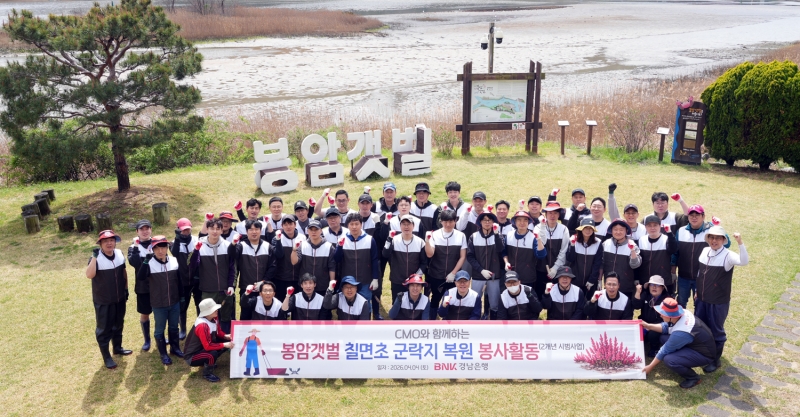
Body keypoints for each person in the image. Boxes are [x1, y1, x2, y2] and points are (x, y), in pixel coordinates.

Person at [694, 226, 748, 373]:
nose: (714, 240)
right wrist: (697, 290)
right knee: (700, 327)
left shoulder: (728, 255)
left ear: (724, 240)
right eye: (711, 237)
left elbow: (744, 261)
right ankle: (703, 353)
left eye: (718, 238)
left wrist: (740, 242)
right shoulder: (705, 251)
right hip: (702, 299)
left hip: (718, 302)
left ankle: (715, 360)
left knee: (716, 331)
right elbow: (700, 272)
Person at [641, 298, 717, 389]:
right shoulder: (682, 314)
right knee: (663, 338)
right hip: (697, 345)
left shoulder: (681, 332)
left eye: (662, 313)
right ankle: (681, 358)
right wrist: (648, 326)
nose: (660, 315)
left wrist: (650, 367)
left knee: (669, 360)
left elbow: (664, 350)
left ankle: (693, 378)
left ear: (670, 316)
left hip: (705, 354)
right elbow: (666, 327)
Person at [135, 235, 184, 365]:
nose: (160, 251)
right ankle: (163, 353)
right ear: (152, 249)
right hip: (159, 303)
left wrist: (182, 297)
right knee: (159, 329)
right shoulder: (150, 263)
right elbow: (141, 277)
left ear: (167, 247)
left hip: (174, 301)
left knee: (174, 326)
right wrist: (146, 261)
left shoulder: (174, 260)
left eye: (163, 247)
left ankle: (175, 348)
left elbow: (179, 281)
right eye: (156, 248)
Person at [86, 230, 130, 369]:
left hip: (119, 298)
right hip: (103, 300)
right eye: (105, 241)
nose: (109, 243)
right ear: (100, 244)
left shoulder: (119, 254)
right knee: (104, 329)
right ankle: (106, 357)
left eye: (111, 240)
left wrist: (126, 289)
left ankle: (117, 348)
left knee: (118, 324)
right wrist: (94, 258)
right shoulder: (96, 257)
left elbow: (123, 272)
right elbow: (89, 275)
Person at [672, 204, 729, 307]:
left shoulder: (710, 231)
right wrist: (672, 270)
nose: (694, 218)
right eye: (691, 215)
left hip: (702, 278)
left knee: (700, 304)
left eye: (697, 215)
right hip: (683, 277)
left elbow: (727, 244)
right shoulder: (681, 231)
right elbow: (675, 253)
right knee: (680, 304)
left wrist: (717, 227)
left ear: (703, 216)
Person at [189, 217, 237, 333]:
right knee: (209, 317)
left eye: (218, 228)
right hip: (208, 289)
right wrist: (196, 251)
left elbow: (232, 268)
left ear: (221, 230)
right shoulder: (199, 245)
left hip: (225, 290)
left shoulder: (227, 245)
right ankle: (210, 338)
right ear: (207, 229)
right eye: (212, 228)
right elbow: (192, 266)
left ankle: (225, 338)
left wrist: (231, 285)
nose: (215, 231)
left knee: (226, 317)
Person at [334, 214, 381, 317]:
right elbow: (337, 259)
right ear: (347, 225)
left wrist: (375, 278)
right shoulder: (342, 239)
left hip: (365, 280)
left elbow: (374, 260)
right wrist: (340, 247)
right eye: (351, 224)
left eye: (356, 224)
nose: (354, 227)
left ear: (361, 224)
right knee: (347, 306)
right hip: (348, 281)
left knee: (365, 305)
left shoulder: (369, 239)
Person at [424, 208, 468, 319]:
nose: (448, 224)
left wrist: (453, 273)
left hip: (454, 275)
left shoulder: (461, 236)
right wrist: (427, 241)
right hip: (436, 274)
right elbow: (430, 254)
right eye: (445, 221)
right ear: (441, 221)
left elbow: (463, 256)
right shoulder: (435, 235)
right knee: (435, 298)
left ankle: (449, 321)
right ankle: (432, 320)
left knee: (452, 299)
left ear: (455, 221)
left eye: (451, 221)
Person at [183, 298, 234, 383]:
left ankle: (209, 362)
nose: (217, 310)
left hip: (202, 348)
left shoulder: (214, 318)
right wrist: (224, 344)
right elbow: (208, 346)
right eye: (214, 309)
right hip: (192, 356)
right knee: (212, 354)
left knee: (222, 345)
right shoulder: (202, 325)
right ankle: (207, 373)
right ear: (207, 312)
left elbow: (218, 332)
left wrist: (226, 336)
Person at [466, 211, 505, 319]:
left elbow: (501, 249)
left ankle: (493, 322)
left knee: (494, 304)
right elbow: (470, 256)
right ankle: (475, 321)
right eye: (484, 220)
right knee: (474, 301)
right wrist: (481, 270)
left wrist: (496, 235)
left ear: (493, 222)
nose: (487, 222)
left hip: (494, 275)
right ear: (480, 222)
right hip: (478, 275)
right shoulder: (474, 236)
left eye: (490, 220)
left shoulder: (498, 235)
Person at [235, 219, 276, 320]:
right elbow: (232, 258)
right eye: (251, 229)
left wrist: (264, 281)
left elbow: (273, 266)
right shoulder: (241, 246)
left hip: (264, 289)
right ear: (246, 231)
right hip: (246, 288)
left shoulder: (268, 246)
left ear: (261, 231)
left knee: (263, 316)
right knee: (246, 316)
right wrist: (233, 244)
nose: (254, 232)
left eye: (256, 229)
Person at [383, 215, 428, 300]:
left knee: (413, 303)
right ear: (400, 226)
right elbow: (385, 254)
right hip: (397, 280)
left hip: (414, 282)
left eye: (408, 224)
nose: (406, 227)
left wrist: (416, 276)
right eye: (403, 224)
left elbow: (424, 263)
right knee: (397, 303)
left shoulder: (420, 242)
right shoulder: (394, 240)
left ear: (413, 226)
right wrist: (389, 239)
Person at [504, 210, 547, 298]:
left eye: (525, 220)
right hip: (511, 276)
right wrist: (506, 262)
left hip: (527, 276)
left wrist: (539, 239)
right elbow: (504, 252)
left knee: (527, 300)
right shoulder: (509, 235)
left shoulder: (533, 237)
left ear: (529, 223)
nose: (522, 223)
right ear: (515, 222)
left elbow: (541, 255)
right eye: (519, 220)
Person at [127, 219, 154, 351]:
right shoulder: (132, 247)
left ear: (151, 230)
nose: (145, 231)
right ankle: (147, 339)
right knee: (145, 313)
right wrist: (137, 246)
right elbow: (135, 263)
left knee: (161, 313)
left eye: (147, 228)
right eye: (141, 229)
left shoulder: (157, 243)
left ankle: (160, 336)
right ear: (137, 231)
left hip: (158, 284)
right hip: (143, 287)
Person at [291, 220, 336, 296]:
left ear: (321, 231)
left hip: (322, 285)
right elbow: (294, 262)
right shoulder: (302, 245)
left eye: (316, 229)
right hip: (305, 285)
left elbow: (332, 267)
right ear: (307, 231)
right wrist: (294, 250)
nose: (313, 232)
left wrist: (331, 283)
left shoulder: (329, 246)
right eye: (311, 230)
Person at [172, 217, 200, 340]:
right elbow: (174, 253)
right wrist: (177, 239)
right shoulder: (174, 243)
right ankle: (183, 329)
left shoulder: (196, 240)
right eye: (183, 230)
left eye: (188, 229)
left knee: (200, 305)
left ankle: (200, 327)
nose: (186, 232)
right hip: (182, 281)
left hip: (197, 280)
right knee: (182, 307)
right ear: (178, 230)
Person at [637, 214, 678, 296]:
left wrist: (669, 233)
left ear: (660, 226)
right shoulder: (642, 240)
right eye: (649, 226)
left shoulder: (666, 239)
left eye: (655, 225)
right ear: (645, 227)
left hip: (663, 281)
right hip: (646, 281)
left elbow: (674, 249)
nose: (652, 228)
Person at [601, 219, 641, 299]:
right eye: (615, 229)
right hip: (609, 287)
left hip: (626, 287)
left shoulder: (632, 245)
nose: (618, 232)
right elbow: (601, 264)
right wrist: (599, 280)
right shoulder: (606, 244)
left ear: (626, 231)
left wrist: (632, 250)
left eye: (621, 230)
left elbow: (635, 265)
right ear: (611, 231)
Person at [537, 201, 570, 296]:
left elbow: (564, 250)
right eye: (550, 213)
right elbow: (542, 243)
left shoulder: (564, 229)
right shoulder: (538, 227)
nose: (552, 215)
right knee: (541, 295)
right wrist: (542, 227)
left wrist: (555, 268)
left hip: (558, 270)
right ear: (545, 214)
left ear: (559, 215)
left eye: (555, 213)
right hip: (540, 269)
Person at [566, 217, 603, 299]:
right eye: (585, 228)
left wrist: (592, 280)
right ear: (581, 229)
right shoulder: (573, 240)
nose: (588, 230)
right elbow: (570, 259)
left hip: (590, 282)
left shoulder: (598, 243)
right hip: (575, 280)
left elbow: (597, 263)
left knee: (589, 302)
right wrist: (572, 246)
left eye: (590, 228)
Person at [633, 275, 671, 357]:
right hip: (644, 323)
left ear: (662, 288)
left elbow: (665, 320)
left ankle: (655, 348)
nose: (654, 287)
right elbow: (636, 306)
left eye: (657, 285)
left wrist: (650, 326)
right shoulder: (645, 294)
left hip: (657, 325)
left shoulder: (667, 299)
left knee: (653, 334)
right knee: (635, 331)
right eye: (652, 285)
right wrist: (638, 292)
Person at [271, 215, 307, 297]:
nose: (288, 227)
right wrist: (278, 240)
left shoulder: (302, 237)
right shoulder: (276, 238)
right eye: (285, 224)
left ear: (295, 224)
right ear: (282, 226)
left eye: (290, 224)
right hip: (281, 278)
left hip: (298, 279)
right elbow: (278, 255)